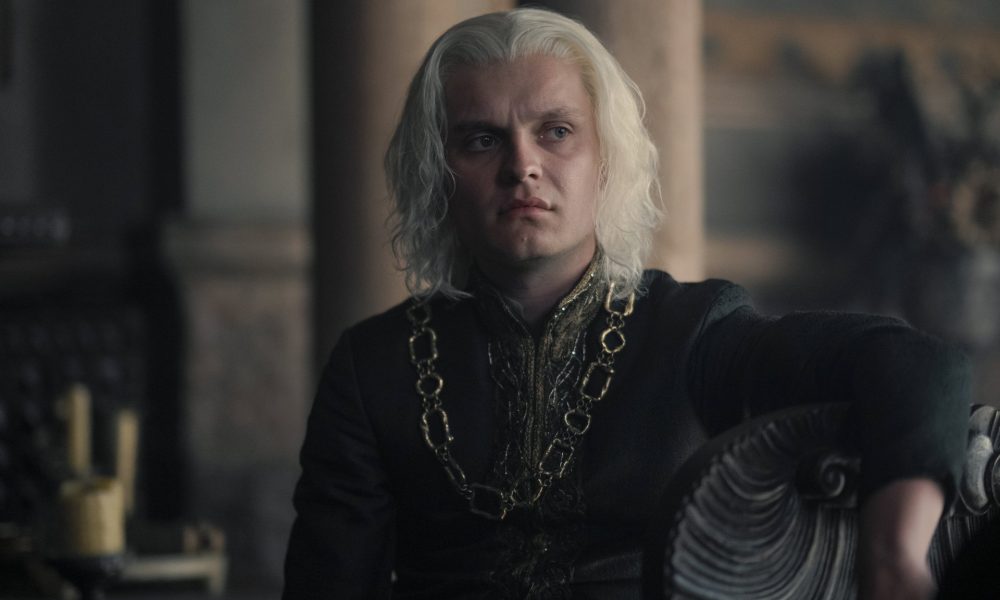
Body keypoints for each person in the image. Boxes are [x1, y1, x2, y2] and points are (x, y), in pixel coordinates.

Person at [284, 8, 971, 599]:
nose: (522, 165)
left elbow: (916, 366)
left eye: (556, 131)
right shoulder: (374, 366)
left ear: (604, 160)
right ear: (440, 173)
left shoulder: (696, 332)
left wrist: (893, 553)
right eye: (481, 139)